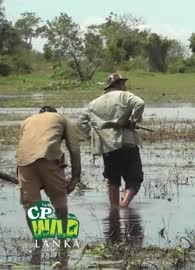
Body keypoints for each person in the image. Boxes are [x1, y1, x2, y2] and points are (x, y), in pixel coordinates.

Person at [78, 74, 145, 208]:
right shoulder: (125, 96)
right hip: (128, 143)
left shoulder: (93, 103)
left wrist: (89, 137)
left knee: (113, 180)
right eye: (123, 83)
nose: (125, 86)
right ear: (118, 84)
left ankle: (114, 210)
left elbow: (80, 123)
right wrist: (133, 121)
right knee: (134, 178)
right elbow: (140, 103)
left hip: (108, 146)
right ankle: (124, 204)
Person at [17, 106, 81, 237]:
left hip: (24, 163)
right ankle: (63, 238)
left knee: (31, 205)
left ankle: (39, 241)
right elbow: (74, 148)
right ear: (54, 113)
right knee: (59, 199)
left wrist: (19, 176)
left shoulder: (26, 121)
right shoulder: (62, 118)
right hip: (49, 159)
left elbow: (22, 147)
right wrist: (75, 178)